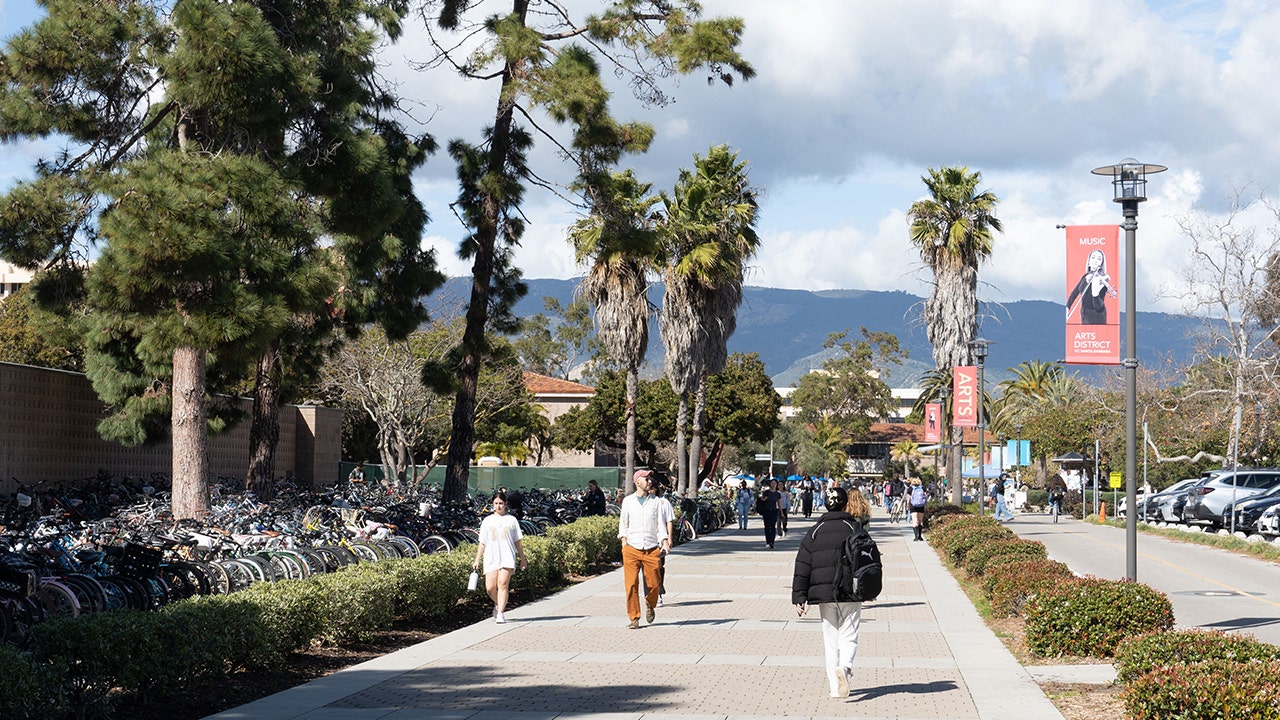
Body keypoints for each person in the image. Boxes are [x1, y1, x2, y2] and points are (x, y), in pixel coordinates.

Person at [791, 486, 871, 699]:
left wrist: (799, 596)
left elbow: (802, 564)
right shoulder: (854, 527)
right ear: (845, 504)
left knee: (830, 639)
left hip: (824, 593)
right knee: (849, 634)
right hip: (851, 591)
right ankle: (845, 667)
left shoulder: (815, 531)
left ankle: (835, 688)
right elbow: (867, 558)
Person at [617, 469, 670, 629]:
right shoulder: (628, 501)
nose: (649, 482)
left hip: (651, 548)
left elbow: (660, 524)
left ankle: (650, 604)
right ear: (637, 482)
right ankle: (634, 617)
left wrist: (665, 541)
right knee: (631, 584)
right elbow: (623, 523)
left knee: (654, 584)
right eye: (646, 479)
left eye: (649, 479)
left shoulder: (656, 502)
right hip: (631, 548)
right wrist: (624, 542)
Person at [471, 491, 527, 624]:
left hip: (507, 556)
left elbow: (517, 541)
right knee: (490, 588)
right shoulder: (487, 521)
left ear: (505, 504)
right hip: (491, 556)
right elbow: (482, 542)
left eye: (501, 503)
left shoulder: (512, 520)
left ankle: (501, 613)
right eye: (496, 503)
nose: (498, 506)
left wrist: (522, 558)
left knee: (502, 584)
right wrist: (477, 559)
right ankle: (498, 603)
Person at [1066, 248, 1115, 325]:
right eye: (1093, 257)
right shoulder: (1085, 277)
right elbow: (1074, 294)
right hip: (1085, 315)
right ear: (1089, 262)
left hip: (1097, 317)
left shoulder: (1103, 278)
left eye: (1099, 259)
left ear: (1101, 264)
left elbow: (1098, 306)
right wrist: (1067, 307)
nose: (1095, 260)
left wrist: (1095, 292)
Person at [651, 476, 676, 607]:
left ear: (655, 489)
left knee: (659, 566)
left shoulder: (663, 502)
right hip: (647, 540)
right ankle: (651, 592)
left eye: (651, 488)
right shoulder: (641, 502)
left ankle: (659, 592)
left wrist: (669, 537)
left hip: (660, 540)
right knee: (649, 569)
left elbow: (669, 521)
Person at [758, 479, 782, 548]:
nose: (773, 485)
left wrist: (781, 512)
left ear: (776, 485)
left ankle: (772, 541)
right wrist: (763, 498)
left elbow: (779, 504)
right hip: (766, 511)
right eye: (772, 483)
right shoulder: (766, 492)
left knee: (773, 526)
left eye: (775, 483)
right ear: (770, 484)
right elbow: (762, 499)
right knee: (767, 527)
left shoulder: (777, 494)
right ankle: (768, 541)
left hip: (774, 511)